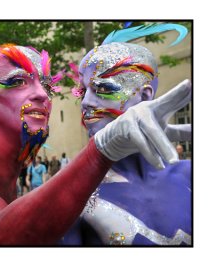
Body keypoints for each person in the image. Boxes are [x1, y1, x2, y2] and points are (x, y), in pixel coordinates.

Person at [0, 42, 189, 245]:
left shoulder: (23, 179)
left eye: (46, 85)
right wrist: (102, 151)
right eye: (18, 82)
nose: (42, 95)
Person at [64, 23, 192, 245]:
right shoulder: (74, 193)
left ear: (144, 97)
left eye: (103, 89)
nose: (85, 103)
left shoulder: (190, 175)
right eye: (83, 91)